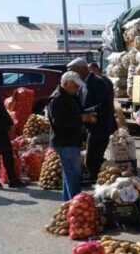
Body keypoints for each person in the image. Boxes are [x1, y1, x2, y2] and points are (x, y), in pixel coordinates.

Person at [48, 71, 97, 201]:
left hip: (70, 141)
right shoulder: (57, 98)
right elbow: (58, 121)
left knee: (69, 174)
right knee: (73, 174)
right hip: (65, 142)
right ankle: (76, 203)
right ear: (65, 84)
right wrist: (81, 118)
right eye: (75, 86)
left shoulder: (70, 96)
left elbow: (75, 114)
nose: (77, 89)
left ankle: (68, 203)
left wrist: (87, 115)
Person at [67, 57, 116, 180]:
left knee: (92, 157)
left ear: (83, 69)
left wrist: (86, 113)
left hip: (100, 126)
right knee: (93, 156)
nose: (72, 73)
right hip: (91, 126)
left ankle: (96, 179)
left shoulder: (97, 81)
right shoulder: (83, 82)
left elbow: (104, 104)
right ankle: (96, 178)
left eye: (74, 70)